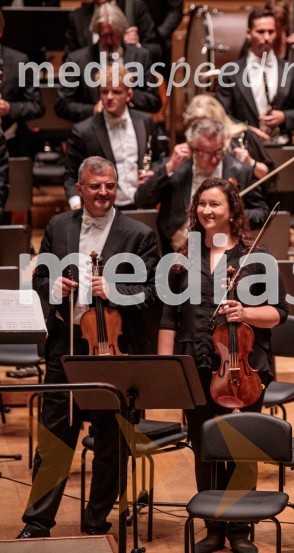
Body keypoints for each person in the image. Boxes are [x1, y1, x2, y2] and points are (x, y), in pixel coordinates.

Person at [17, 156, 159, 539]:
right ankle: (38, 521)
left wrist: (115, 292)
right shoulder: (59, 226)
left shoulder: (138, 235)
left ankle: (96, 521)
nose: (103, 193)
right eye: (95, 186)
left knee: (111, 444)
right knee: (55, 439)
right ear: (79, 189)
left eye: (109, 185)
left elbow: (153, 293)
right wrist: (52, 288)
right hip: (66, 348)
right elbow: (40, 281)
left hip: (112, 353)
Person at [158, 178, 287, 553]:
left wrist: (245, 311)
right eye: (202, 205)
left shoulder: (255, 257)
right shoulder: (182, 258)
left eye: (215, 204)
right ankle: (214, 527)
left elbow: (279, 313)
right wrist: (167, 373)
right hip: (195, 365)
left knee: (241, 447)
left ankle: (240, 529)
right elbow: (168, 318)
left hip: (244, 369)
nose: (207, 211)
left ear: (232, 209)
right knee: (204, 447)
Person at [134, 117, 269, 253]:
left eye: (218, 151)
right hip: (177, 251)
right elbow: (142, 200)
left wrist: (231, 216)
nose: (214, 159)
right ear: (192, 149)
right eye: (206, 153)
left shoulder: (240, 171)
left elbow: (262, 213)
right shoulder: (176, 167)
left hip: (226, 252)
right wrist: (169, 168)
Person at [64, 66, 166, 210]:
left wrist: (153, 172)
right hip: (103, 209)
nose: (110, 97)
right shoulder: (83, 131)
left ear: (129, 94)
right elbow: (71, 176)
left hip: (142, 205)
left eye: (116, 92)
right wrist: (76, 204)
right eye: (105, 92)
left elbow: (159, 157)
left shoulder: (146, 121)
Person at [215, 8, 294, 146]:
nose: (266, 37)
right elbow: (222, 116)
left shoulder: (291, 70)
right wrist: (247, 130)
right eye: (260, 32)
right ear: (248, 33)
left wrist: (284, 117)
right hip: (244, 148)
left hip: (282, 146)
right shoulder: (230, 72)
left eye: (271, 32)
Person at [57, 2, 162, 123]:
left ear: (122, 31)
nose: (108, 41)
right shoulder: (77, 60)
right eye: (104, 35)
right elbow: (62, 104)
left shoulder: (140, 56)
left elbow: (155, 101)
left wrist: (129, 95)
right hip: (93, 132)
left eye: (113, 35)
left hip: (131, 127)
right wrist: (93, 110)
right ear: (97, 32)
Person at [183, 95, 280, 208]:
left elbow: (272, 179)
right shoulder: (193, 142)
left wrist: (250, 163)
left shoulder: (245, 136)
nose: (200, 130)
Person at [0, 11, 45, 157]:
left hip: (10, 144)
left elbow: (37, 106)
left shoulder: (20, 61)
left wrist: (9, 108)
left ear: (0, 31)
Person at [64, 0, 161, 62]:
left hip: (129, 82)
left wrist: (137, 46)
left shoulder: (135, 8)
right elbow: (68, 60)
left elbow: (156, 50)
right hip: (90, 84)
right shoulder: (77, 17)